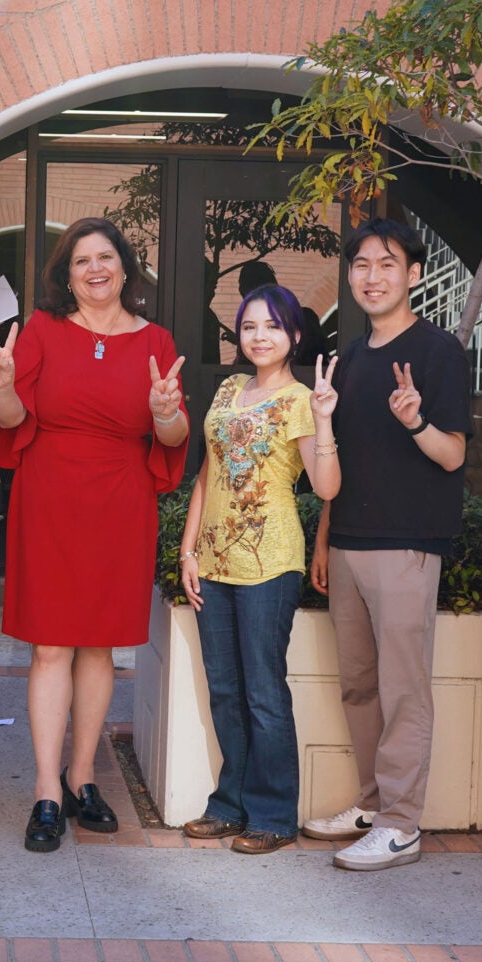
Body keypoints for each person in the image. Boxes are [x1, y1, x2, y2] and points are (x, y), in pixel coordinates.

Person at [0, 215, 189, 853]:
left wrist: (166, 414)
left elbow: (175, 439)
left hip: (120, 501)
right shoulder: (42, 330)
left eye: (105, 257)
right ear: (66, 276)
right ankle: (47, 789)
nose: (95, 269)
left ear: (125, 268)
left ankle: (82, 778)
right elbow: (13, 418)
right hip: (49, 497)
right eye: (81, 260)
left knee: (100, 647)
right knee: (50, 647)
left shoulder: (157, 339)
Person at [303, 218, 470, 873]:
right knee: (359, 687)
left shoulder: (437, 352)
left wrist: (417, 421)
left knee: (403, 690)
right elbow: (338, 459)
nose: (372, 276)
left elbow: (453, 455)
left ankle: (402, 823)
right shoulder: (348, 357)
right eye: (362, 264)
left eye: (387, 263)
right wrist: (324, 536)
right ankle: (373, 802)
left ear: (414, 274)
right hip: (346, 542)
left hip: (407, 544)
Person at [178, 286, 341, 854]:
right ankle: (230, 804)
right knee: (225, 688)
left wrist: (324, 422)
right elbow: (206, 475)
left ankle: (272, 815)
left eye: (272, 326)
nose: (259, 336)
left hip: (271, 562)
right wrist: (188, 549)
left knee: (263, 691)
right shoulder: (227, 389)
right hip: (216, 558)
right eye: (249, 326)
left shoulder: (301, 398)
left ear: (294, 335)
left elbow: (325, 488)